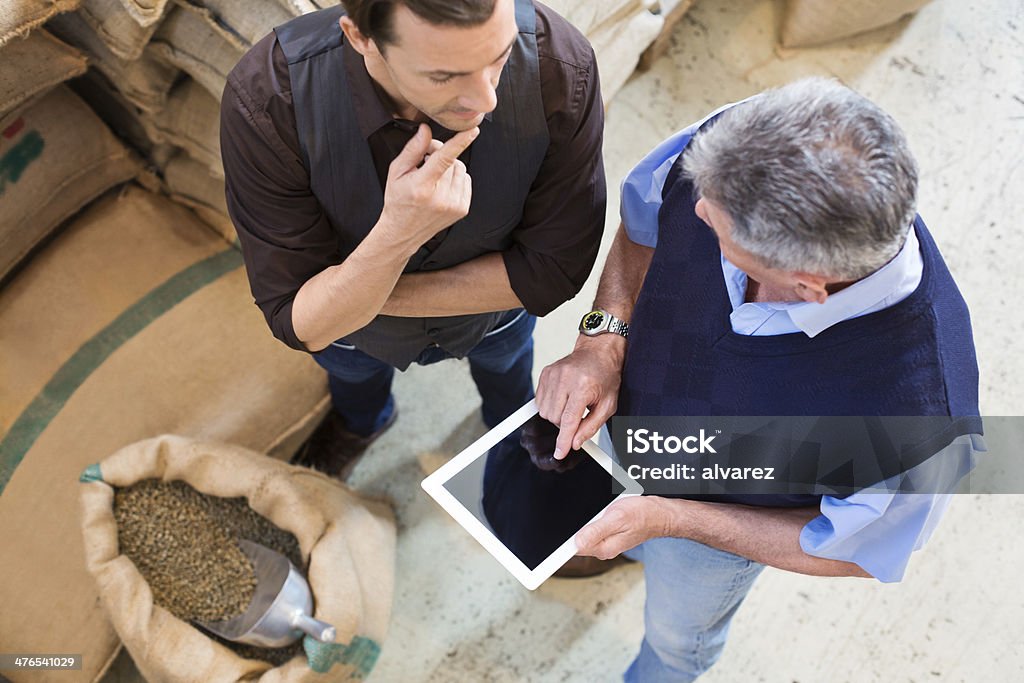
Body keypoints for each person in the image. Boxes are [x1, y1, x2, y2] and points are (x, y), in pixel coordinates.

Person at [535, 78, 983, 681]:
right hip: (628, 436)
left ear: (807, 286)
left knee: (675, 638)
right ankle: (632, 545)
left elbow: (851, 550)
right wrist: (601, 340)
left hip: (715, 536)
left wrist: (671, 520)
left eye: (719, 234)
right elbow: (643, 225)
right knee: (623, 527)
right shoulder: (736, 144)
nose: (693, 213)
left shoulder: (921, 419)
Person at [220, 0, 606, 480]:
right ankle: (363, 423)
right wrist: (397, 236)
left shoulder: (560, 66)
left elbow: (553, 273)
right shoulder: (268, 102)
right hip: (354, 342)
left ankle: (507, 427)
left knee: (508, 376)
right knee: (354, 382)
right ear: (360, 37)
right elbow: (298, 320)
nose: (486, 100)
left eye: (500, 56)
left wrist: (353, 293)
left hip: (493, 319)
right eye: (444, 76)